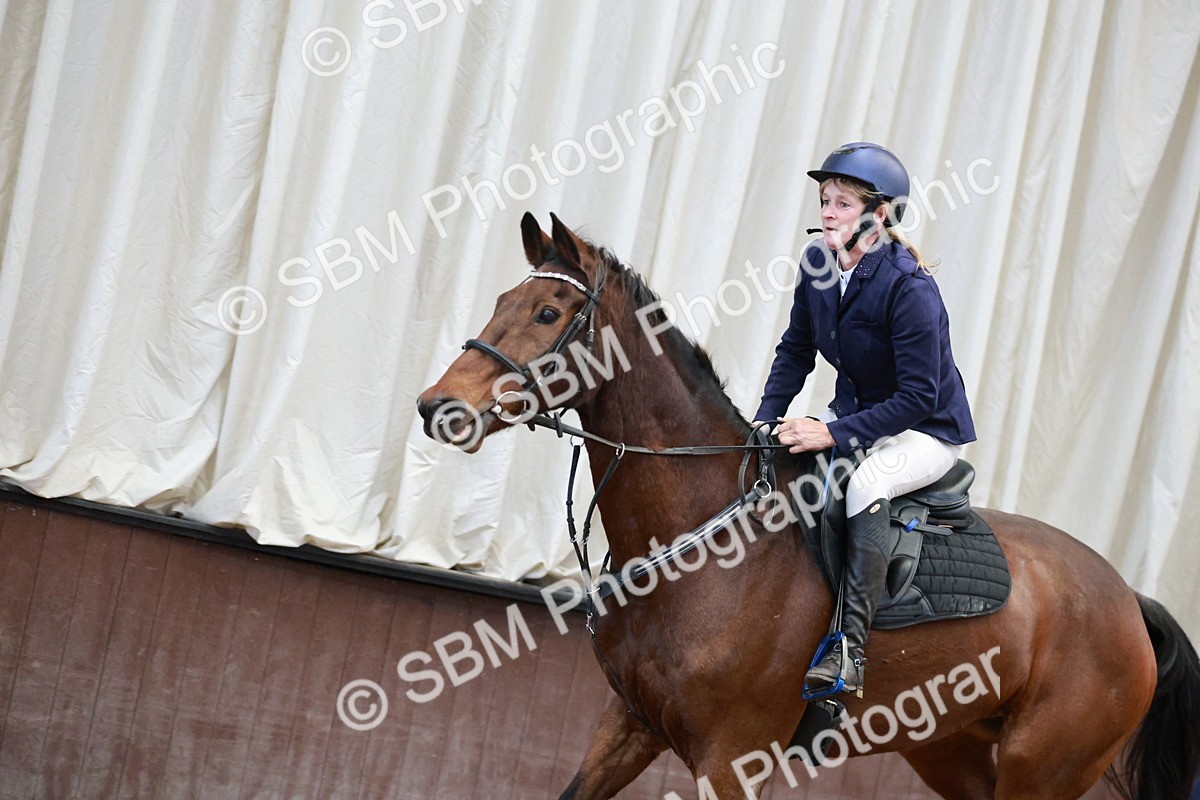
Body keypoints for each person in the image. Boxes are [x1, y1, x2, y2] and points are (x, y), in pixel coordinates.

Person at [754, 142, 976, 696]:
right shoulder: (818, 264)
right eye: (824, 201)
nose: (828, 213)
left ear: (879, 215)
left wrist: (830, 432)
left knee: (866, 483)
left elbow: (919, 397)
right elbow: (795, 349)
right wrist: (764, 419)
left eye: (843, 204)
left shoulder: (909, 287)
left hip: (925, 429)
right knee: (781, 461)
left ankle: (848, 649)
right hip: (857, 413)